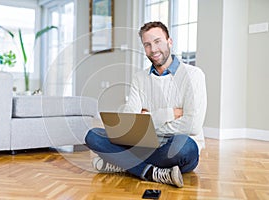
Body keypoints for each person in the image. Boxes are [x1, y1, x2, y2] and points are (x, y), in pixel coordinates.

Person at [85, 21, 207, 188]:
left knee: (185, 147)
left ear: (169, 42)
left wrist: (146, 119)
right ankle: (152, 172)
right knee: (93, 135)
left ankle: (122, 163)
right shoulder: (139, 78)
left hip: (174, 148)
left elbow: (192, 125)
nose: (153, 49)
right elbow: (129, 121)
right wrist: (167, 114)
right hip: (142, 145)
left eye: (157, 42)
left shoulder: (193, 75)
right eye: (147, 44)